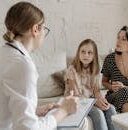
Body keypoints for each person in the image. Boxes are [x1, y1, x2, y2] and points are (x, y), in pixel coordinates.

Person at [0, 2, 79, 130]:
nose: (44, 34)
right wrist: (64, 110)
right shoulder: (22, 65)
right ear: (36, 29)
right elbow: (28, 128)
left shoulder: (5, 53)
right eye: (44, 29)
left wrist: (34, 111)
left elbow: (5, 109)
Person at [64, 39, 117, 130]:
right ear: (78, 53)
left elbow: (96, 91)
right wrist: (95, 102)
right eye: (83, 52)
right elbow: (76, 96)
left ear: (94, 56)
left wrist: (101, 101)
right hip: (77, 102)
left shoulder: (95, 70)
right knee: (98, 113)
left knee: (110, 108)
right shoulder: (72, 70)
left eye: (90, 53)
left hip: (90, 100)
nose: (86, 55)